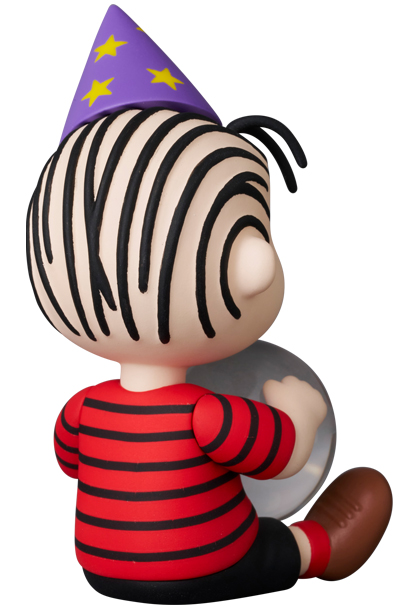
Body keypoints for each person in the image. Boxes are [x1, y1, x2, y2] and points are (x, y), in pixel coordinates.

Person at [26, 5, 392, 604]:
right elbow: (282, 458)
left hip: (97, 569)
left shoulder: (83, 409)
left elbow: (68, 456)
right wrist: (298, 412)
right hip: (204, 566)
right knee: (272, 547)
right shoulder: (205, 415)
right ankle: (320, 550)